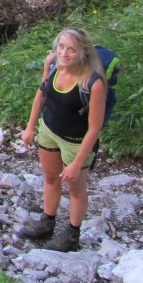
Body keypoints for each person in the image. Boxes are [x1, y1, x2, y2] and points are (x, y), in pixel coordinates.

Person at [18, 27, 107, 251]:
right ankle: (47, 223)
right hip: (49, 130)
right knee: (50, 178)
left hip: (75, 142)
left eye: (72, 50)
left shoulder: (93, 83)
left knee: (76, 189)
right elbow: (42, 93)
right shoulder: (52, 63)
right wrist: (30, 126)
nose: (64, 53)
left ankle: (72, 236)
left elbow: (94, 128)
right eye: (61, 46)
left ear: (84, 52)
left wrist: (77, 162)